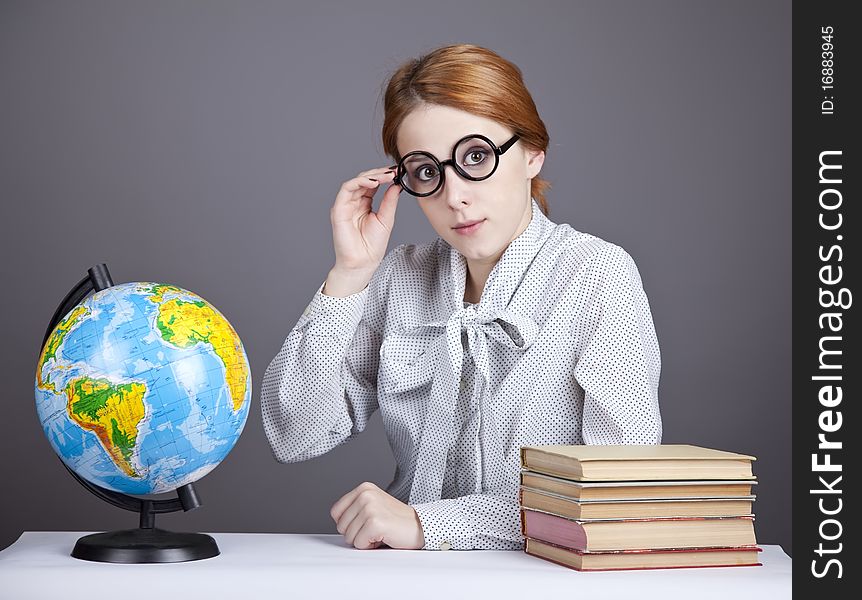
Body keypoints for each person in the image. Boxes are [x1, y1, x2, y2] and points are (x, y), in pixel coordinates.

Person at [261, 43, 662, 552]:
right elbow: (295, 433)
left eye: (477, 156)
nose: (454, 196)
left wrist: (430, 526)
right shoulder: (400, 278)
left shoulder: (596, 275)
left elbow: (618, 491)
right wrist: (349, 274)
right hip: (404, 575)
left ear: (533, 152)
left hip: (547, 576)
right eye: (427, 171)